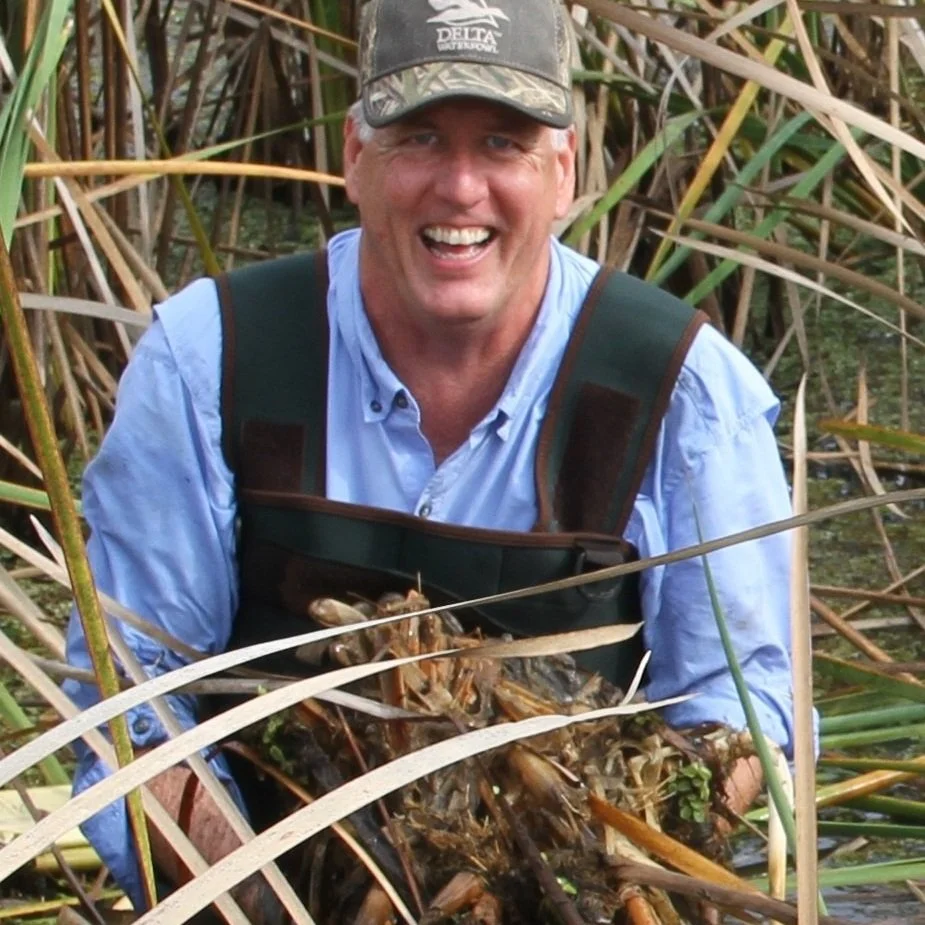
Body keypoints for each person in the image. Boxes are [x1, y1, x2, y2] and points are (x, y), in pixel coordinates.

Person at [64, 0, 795, 917]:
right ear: (353, 158)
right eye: (418, 138)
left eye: (502, 142)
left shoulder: (683, 390)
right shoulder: (207, 362)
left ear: (562, 170)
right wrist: (262, 902)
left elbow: (741, 717)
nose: (459, 188)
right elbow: (130, 710)